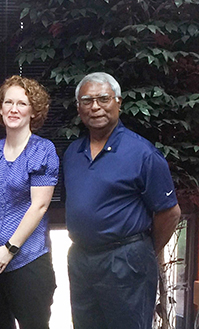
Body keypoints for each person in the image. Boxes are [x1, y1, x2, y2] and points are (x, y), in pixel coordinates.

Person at [64, 72, 181, 328]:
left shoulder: (142, 153)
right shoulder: (73, 153)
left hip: (126, 261)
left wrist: (142, 253)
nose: (95, 107)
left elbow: (170, 213)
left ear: (118, 102)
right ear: (78, 108)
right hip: (81, 260)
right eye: (87, 100)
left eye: (103, 98)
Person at [0, 75, 58, 328]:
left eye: (22, 103)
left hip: (27, 261)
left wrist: (9, 249)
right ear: (0, 108)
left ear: (34, 111)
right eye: (8, 102)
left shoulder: (43, 150)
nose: (13, 109)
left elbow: (39, 206)